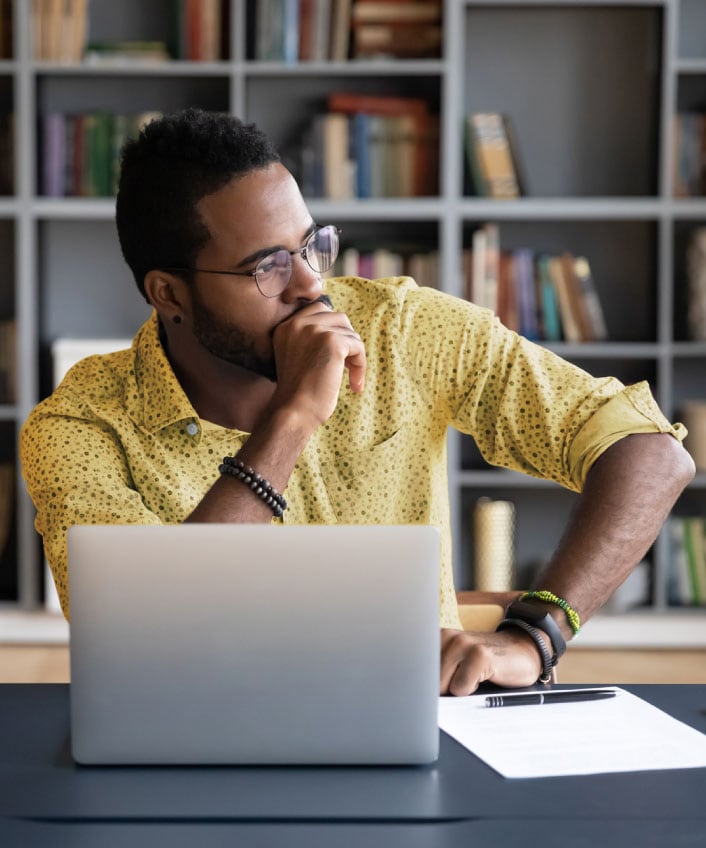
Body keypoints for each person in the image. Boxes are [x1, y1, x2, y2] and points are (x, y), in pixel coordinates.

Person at [20, 108, 694, 695]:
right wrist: (294, 416)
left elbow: (653, 454)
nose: (313, 287)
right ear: (169, 294)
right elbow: (140, 639)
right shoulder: (79, 429)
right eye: (266, 267)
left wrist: (538, 633)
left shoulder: (404, 330)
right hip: (205, 747)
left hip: (423, 719)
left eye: (312, 245)